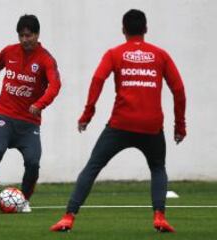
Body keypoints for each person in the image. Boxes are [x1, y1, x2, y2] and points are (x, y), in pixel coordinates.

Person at [50, 9, 186, 232]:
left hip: (120, 124)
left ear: (123, 29)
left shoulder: (115, 53)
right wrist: (180, 125)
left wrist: (87, 115)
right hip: (151, 127)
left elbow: (97, 79)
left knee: (92, 167)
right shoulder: (160, 55)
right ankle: (159, 216)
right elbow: (179, 89)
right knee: (158, 168)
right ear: (146, 29)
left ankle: (68, 217)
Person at [0, 14, 61, 212]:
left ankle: (24, 200)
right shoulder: (9, 52)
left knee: (33, 162)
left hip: (29, 123)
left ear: (37, 35)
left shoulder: (46, 59)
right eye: (21, 36)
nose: (25, 40)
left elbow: (55, 85)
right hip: (4, 115)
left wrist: (40, 104)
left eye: (29, 35)